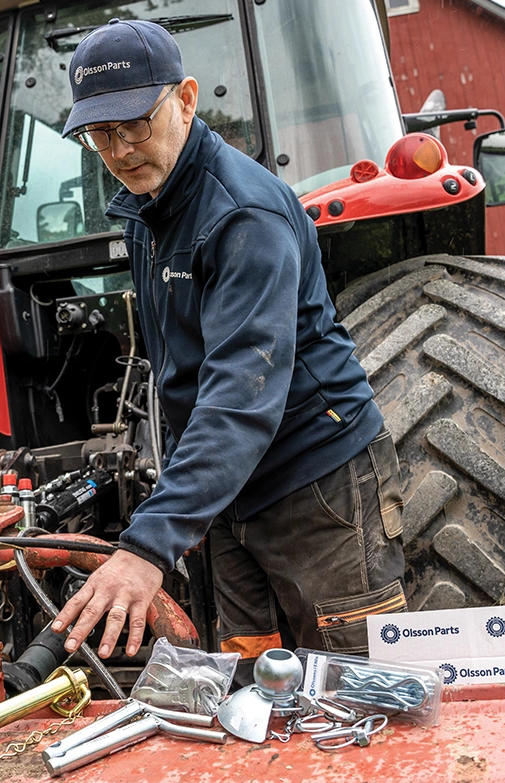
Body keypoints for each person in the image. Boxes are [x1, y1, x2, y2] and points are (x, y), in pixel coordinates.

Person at [50, 19, 406, 676]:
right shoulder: (143, 208)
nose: (120, 149)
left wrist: (148, 546)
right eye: (100, 135)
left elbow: (241, 392)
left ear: (186, 99)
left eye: (135, 124)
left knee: (355, 686)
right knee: (253, 679)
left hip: (314, 484)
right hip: (229, 492)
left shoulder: (243, 216)